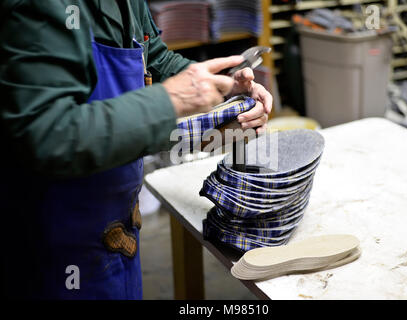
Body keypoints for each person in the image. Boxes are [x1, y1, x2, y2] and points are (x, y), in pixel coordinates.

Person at [0, 0, 272, 299]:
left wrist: (221, 87)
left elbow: (152, 56)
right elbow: (48, 134)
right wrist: (170, 101)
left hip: (118, 228)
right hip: (58, 240)